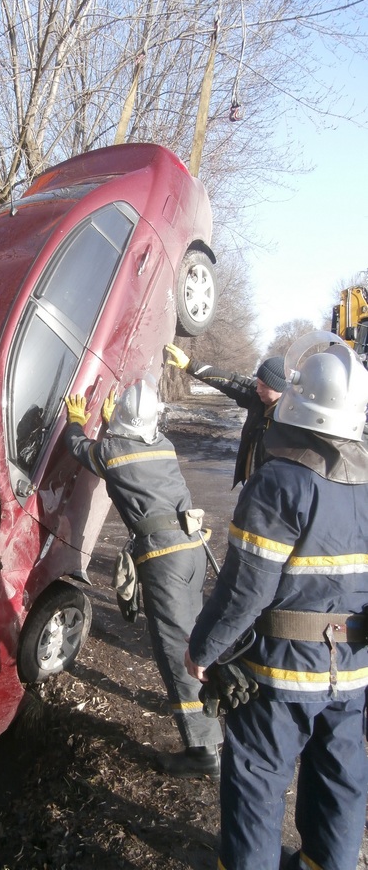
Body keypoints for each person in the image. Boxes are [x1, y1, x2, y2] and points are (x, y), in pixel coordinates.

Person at [184, 333, 368, 870]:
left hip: (281, 676)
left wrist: (204, 649)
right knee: (341, 784)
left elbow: (245, 589)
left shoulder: (280, 482)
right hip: (353, 674)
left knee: (257, 787)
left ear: (296, 401)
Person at [64, 378, 223, 779]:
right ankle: (215, 711)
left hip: (165, 559)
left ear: (119, 421)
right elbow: (129, 450)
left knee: (174, 651)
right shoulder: (164, 446)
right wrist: (112, 422)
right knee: (196, 639)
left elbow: (78, 448)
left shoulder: (113, 452)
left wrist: (75, 421)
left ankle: (202, 750)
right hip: (193, 550)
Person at [165, 342, 286, 487]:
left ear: (280, 388)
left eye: (264, 386)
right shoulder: (258, 399)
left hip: (273, 488)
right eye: (258, 383)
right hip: (251, 482)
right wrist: (190, 365)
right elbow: (228, 380)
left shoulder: (292, 417)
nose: (258, 389)